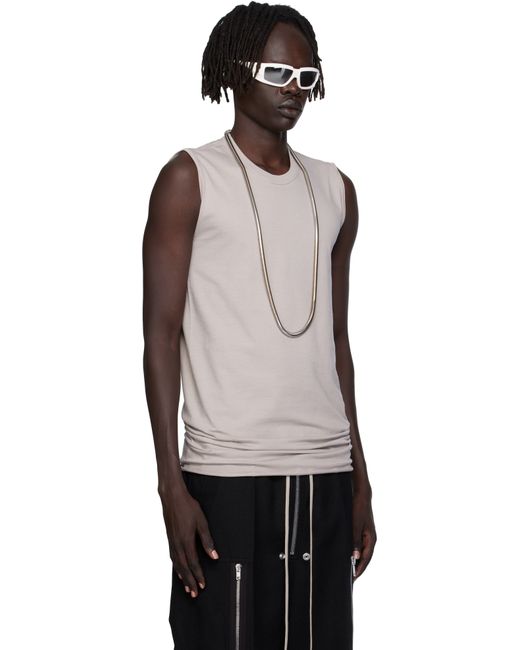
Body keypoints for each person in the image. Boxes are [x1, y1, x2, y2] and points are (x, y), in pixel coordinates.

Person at [142, 2, 376, 648]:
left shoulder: (336, 190)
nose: (293, 89)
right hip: (226, 471)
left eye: (306, 77)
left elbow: (337, 342)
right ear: (234, 72)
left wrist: (360, 477)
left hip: (324, 471)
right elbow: (160, 339)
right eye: (277, 73)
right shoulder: (189, 178)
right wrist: (170, 486)